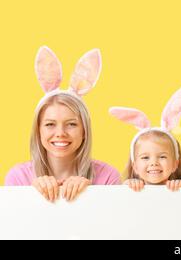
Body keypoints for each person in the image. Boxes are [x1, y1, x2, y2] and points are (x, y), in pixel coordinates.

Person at [5, 46, 121, 202]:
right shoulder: (18, 178)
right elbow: (14, 224)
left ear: (84, 130)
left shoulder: (108, 177)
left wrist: (92, 194)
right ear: (38, 130)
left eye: (71, 124)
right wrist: (30, 195)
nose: (60, 133)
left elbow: (115, 224)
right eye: (50, 124)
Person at [109, 87, 181, 192]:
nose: (153, 163)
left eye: (162, 156)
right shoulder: (131, 187)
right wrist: (126, 186)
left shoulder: (180, 187)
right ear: (135, 166)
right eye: (145, 157)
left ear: (175, 164)